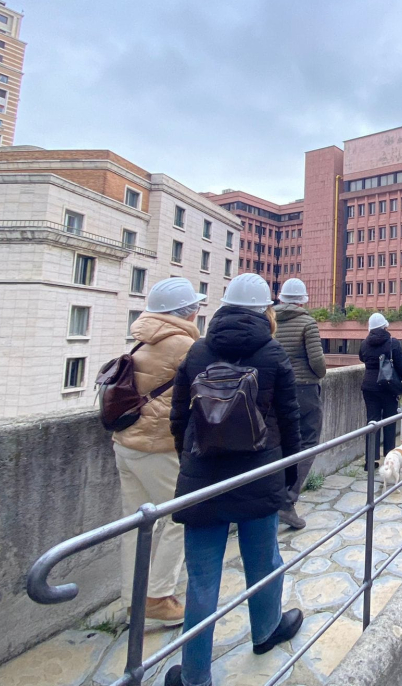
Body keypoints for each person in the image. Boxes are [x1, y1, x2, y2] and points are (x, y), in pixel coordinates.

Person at [165, 274, 303, 686]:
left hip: (203, 478)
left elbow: (179, 419)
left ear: (224, 306)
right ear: (266, 310)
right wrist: (288, 475)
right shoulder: (274, 354)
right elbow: (291, 420)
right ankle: (266, 631)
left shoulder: (196, 351)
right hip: (259, 474)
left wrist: (188, 460)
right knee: (264, 563)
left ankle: (194, 676)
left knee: (201, 581)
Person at [113, 277, 203, 628]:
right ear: (187, 312)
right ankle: (158, 597)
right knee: (182, 514)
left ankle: (133, 599)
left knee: (135, 523)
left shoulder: (143, 341)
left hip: (126, 443)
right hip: (157, 445)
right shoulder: (183, 344)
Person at [274, 278, 327, 530]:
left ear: (281, 298)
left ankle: (271, 495)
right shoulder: (307, 322)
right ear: (303, 300)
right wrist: (319, 375)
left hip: (276, 389)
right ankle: (287, 500)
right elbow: (317, 360)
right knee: (307, 443)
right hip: (304, 389)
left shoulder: (269, 320)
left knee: (278, 441)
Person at [359, 313, 402, 464]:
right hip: (388, 387)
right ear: (385, 326)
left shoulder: (364, 343)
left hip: (369, 387)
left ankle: (370, 461)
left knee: (372, 422)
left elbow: (362, 358)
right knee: (389, 423)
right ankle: (389, 459)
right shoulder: (392, 342)